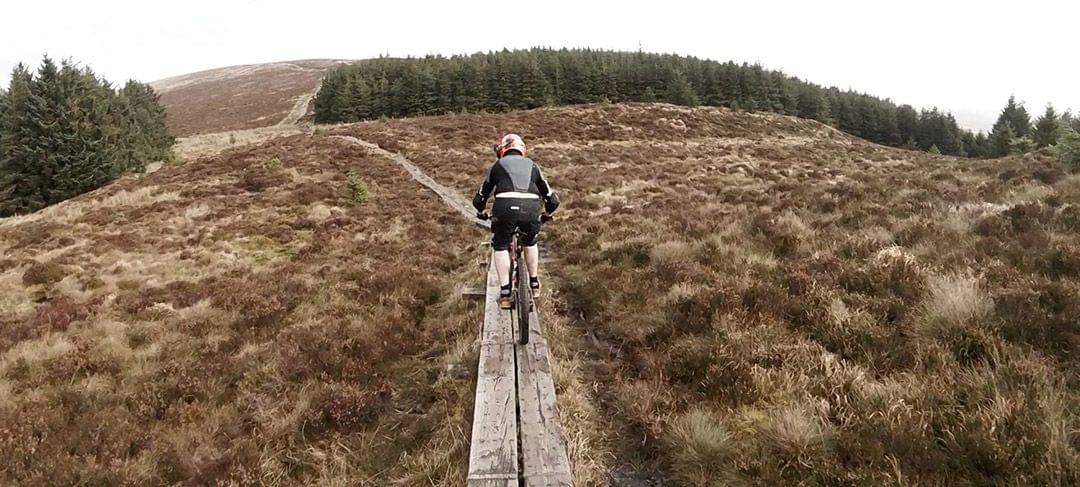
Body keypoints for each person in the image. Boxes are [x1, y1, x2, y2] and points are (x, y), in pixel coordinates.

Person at [473, 134, 560, 309]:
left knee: (500, 245)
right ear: (522, 150)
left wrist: (481, 211)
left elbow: (481, 197)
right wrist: (546, 213)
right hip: (531, 209)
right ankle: (534, 283)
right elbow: (552, 199)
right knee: (530, 241)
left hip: (504, 208)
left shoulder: (496, 166)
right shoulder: (534, 166)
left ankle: (505, 293)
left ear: (502, 150)